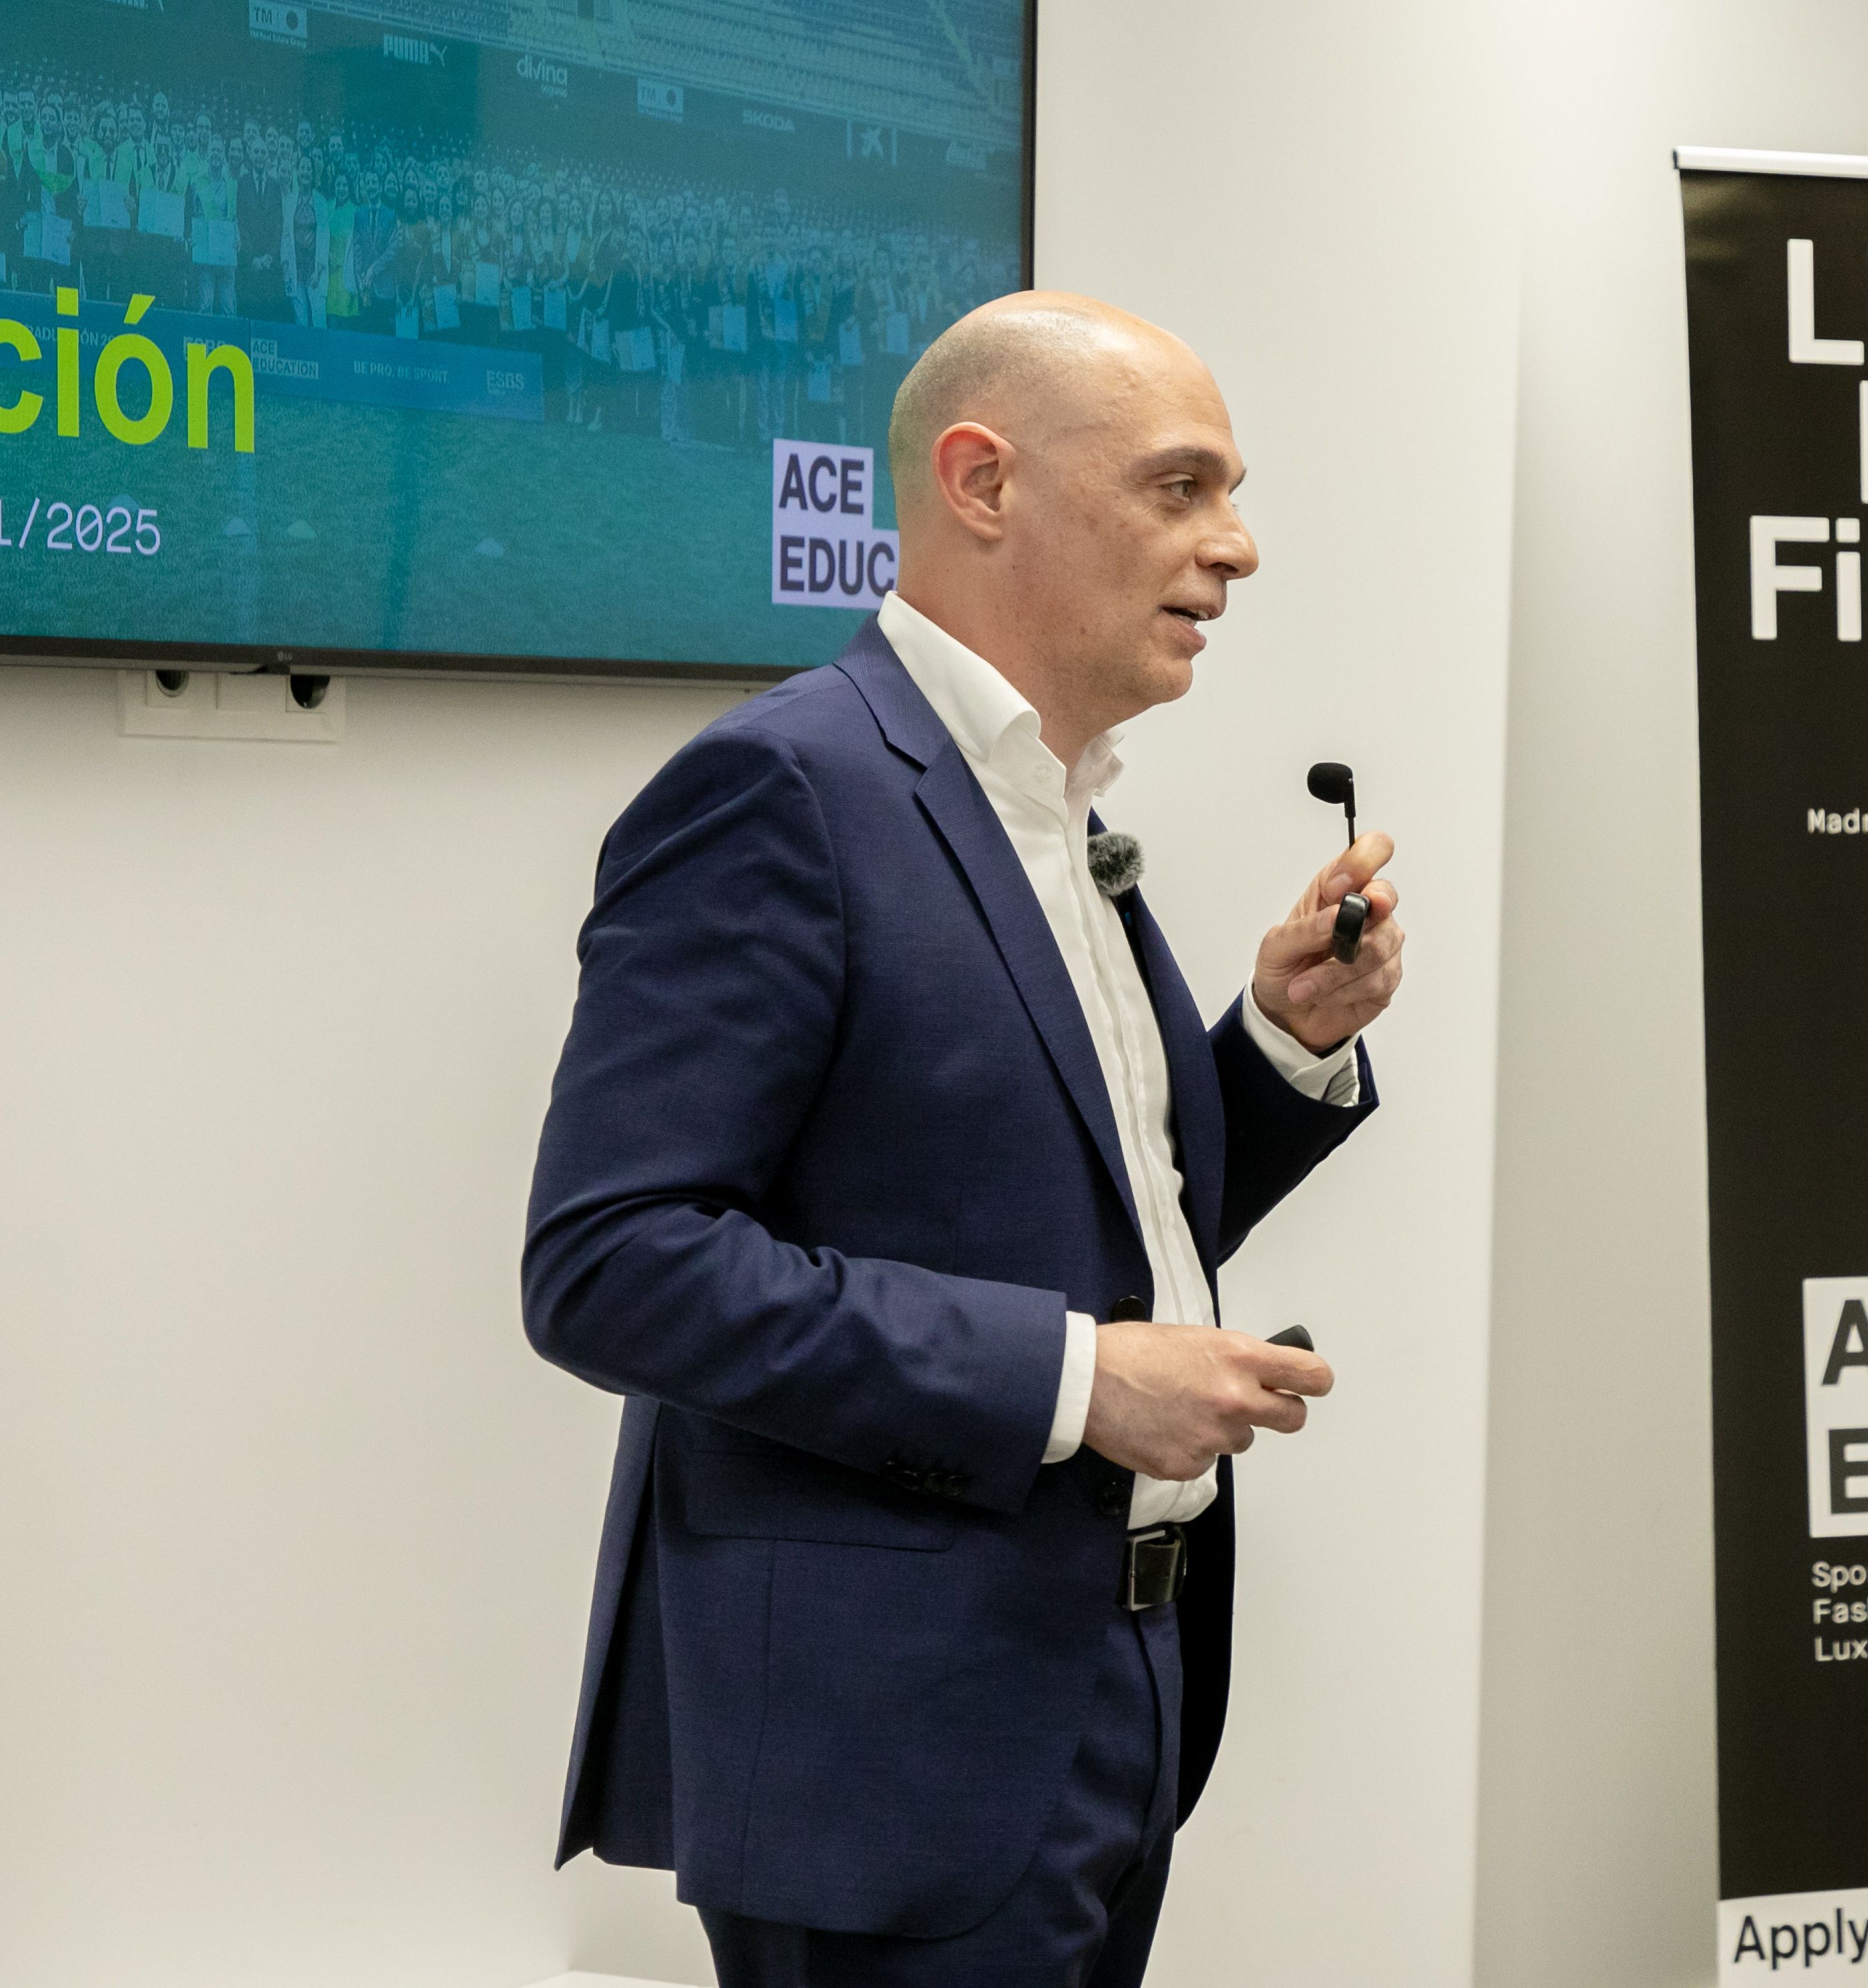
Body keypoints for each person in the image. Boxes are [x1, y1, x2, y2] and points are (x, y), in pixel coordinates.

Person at [522, 292, 1403, 1987]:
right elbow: (613, 1265)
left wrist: (1280, 1046)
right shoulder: (782, 789)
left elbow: (1075, 1196)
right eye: (1180, 487)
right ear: (982, 482)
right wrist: (1082, 1382)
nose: (1236, 549)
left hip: (1106, 1675)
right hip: (890, 1747)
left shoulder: (1054, 807)